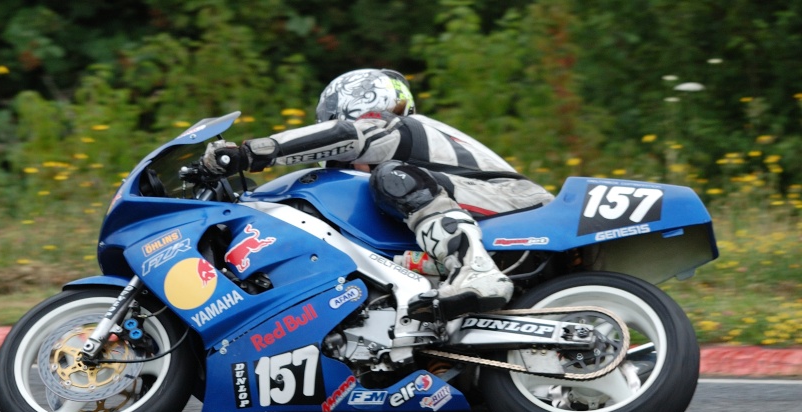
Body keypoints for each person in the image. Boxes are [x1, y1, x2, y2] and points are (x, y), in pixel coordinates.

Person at [201, 68, 554, 317]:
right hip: (489, 207)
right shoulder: (415, 149)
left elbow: (349, 136)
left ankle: (475, 271)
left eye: (334, 121)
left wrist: (251, 152)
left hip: (515, 201)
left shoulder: (396, 129)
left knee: (392, 177)